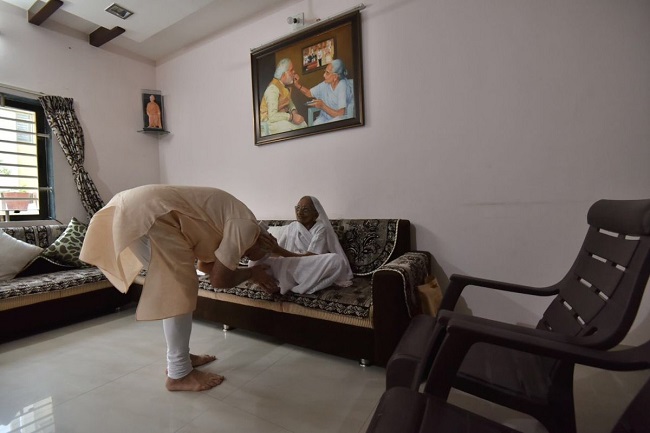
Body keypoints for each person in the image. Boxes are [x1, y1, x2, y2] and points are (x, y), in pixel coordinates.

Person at [79, 185, 278, 392]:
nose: (245, 259)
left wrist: (253, 268)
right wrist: (252, 273)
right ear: (262, 239)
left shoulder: (238, 224)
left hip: (134, 208)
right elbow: (219, 280)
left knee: (174, 288)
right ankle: (179, 373)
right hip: (153, 212)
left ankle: (181, 357)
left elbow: (204, 266)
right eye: (250, 256)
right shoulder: (247, 228)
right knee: (178, 289)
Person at [249, 196, 354, 295]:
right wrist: (267, 248)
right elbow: (278, 254)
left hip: (307, 266)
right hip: (289, 264)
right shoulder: (292, 227)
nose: (299, 212)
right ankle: (279, 283)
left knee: (336, 260)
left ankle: (287, 284)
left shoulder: (320, 228)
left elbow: (312, 257)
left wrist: (279, 250)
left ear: (316, 214)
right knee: (253, 263)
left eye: (305, 210)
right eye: (297, 208)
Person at [293, 59, 353, 125]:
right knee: (315, 125)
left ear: (335, 77)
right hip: (325, 118)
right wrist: (297, 85)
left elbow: (340, 114)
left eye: (327, 73)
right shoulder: (325, 84)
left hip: (339, 119)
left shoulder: (342, 85)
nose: (324, 75)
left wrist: (323, 106)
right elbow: (309, 93)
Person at [259, 58, 307, 136]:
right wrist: (292, 117)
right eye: (291, 70)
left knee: (302, 124)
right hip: (269, 123)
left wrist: (294, 111)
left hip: (281, 119)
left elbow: (289, 102)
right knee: (290, 128)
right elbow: (272, 116)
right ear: (284, 74)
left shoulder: (284, 87)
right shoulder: (272, 89)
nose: (294, 72)